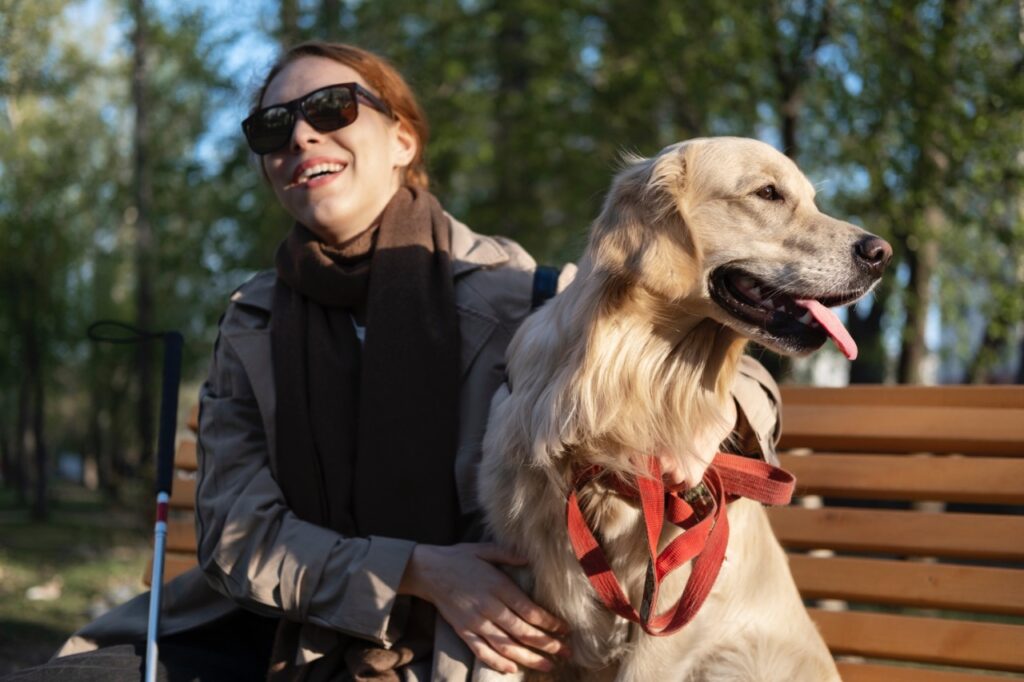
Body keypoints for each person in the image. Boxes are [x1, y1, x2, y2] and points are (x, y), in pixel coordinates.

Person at [6, 41, 783, 682]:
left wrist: (714, 424)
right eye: (272, 129)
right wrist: (415, 568)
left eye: (330, 110)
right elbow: (236, 536)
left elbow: (726, 365)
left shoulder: (523, 290)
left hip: (476, 650)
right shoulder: (253, 321)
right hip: (280, 636)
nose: (300, 138)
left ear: (403, 141)